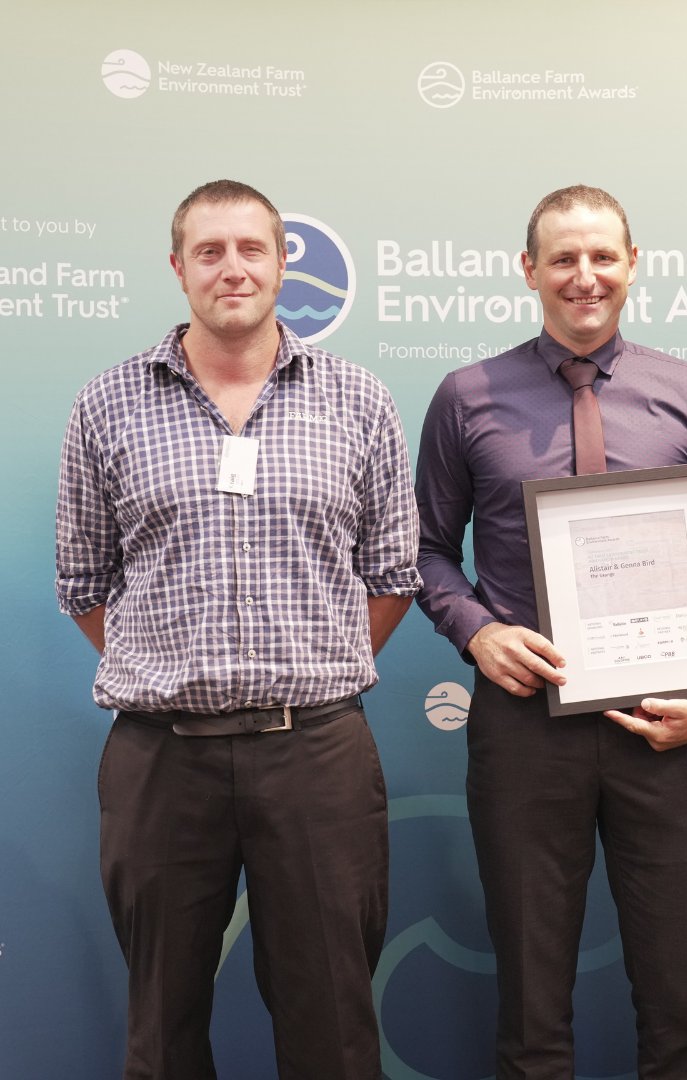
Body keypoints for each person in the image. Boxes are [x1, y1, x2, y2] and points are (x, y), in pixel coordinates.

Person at [55, 179, 420, 1080]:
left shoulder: (358, 400)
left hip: (317, 755)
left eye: (252, 249)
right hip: (160, 759)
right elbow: (83, 582)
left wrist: (309, 665)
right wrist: (171, 667)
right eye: (209, 252)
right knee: (162, 1026)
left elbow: (393, 575)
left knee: (333, 1024)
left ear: (283, 262)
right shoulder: (107, 405)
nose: (232, 269)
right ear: (178, 268)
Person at [414, 185, 687, 1078]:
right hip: (525, 726)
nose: (585, 275)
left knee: (681, 1010)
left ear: (634, 265)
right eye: (563, 258)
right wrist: (477, 632)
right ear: (528, 270)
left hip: (666, 725)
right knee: (531, 1011)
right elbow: (422, 551)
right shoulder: (465, 397)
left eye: (604, 255)